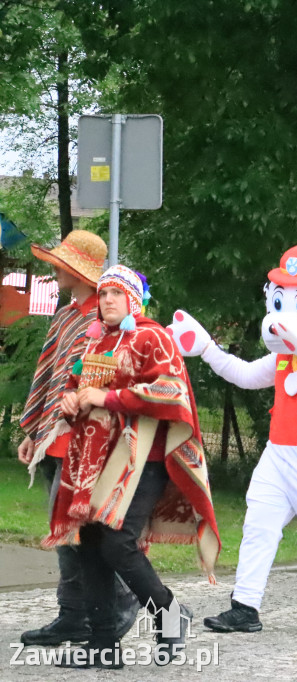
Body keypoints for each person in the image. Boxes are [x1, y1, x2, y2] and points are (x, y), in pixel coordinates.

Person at [170, 245, 297, 635]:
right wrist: (208, 349)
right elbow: (246, 375)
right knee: (259, 525)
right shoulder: (284, 360)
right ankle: (245, 606)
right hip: (278, 454)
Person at [43, 266, 219, 669]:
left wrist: (108, 398)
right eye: (103, 293)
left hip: (145, 459)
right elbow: (76, 385)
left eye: (116, 294)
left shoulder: (152, 336)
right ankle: (102, 646)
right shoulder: (96, 340)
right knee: (89, 544)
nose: (106, 300)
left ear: (133, 300)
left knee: (118, 542)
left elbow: (170, 391)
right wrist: (72, 399)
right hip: (94, 459)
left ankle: (171, 616)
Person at [15, 231, 142, 648]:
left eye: (61, 264)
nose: (55, 269)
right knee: (68, 538)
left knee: (90, 537)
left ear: (78, 272)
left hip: (88, 444)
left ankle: (118, 607)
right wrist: (36, 431)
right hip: (56, 441)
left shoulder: (106, 323)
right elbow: (52, 376)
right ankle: (74, 615)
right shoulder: (69, 316)